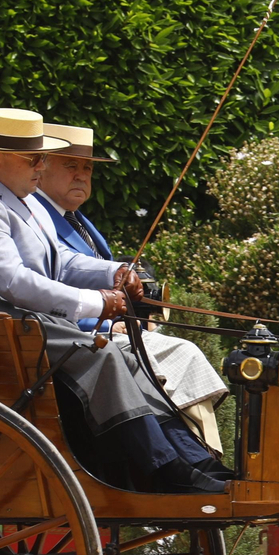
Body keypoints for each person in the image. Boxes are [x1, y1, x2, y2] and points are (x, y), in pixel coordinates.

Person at [0, 107, 224, 494]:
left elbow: (63, 262)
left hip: (27, 322)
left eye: (42, 157)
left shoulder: (23, 200)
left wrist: (115, 272)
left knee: (127, 355)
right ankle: (162, 467)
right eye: (33, 159)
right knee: (103, 355)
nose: (41, 167)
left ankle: (192, 458)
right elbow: (13, 281)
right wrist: (97, 303)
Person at [32, 123, 228, 455]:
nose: (81, 176)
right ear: (41, 168)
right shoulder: (39, 218)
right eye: (70, 166)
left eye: (87, 168)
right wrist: (108, 324)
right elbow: (45, 291)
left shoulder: (74, 217)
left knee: (184, 353)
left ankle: (200, 456)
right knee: (182, 354)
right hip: (72, 336)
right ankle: (196, 458)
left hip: (108, 328)